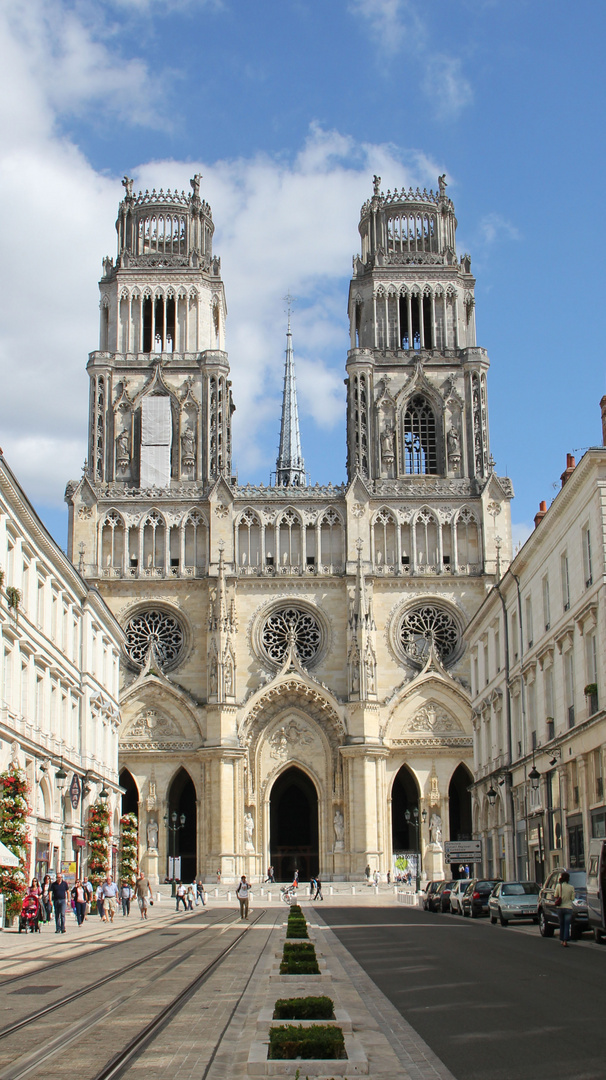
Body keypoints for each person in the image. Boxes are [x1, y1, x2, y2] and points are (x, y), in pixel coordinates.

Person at [555, 871, 575, 947]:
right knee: (567, 924)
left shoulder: (558, 886)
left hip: (560, 908)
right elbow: (572, 898)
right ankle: (565, 940)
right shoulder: (571, 887)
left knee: (561, 924)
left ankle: (562, 939)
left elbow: (555, 895)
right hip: (568, 907)